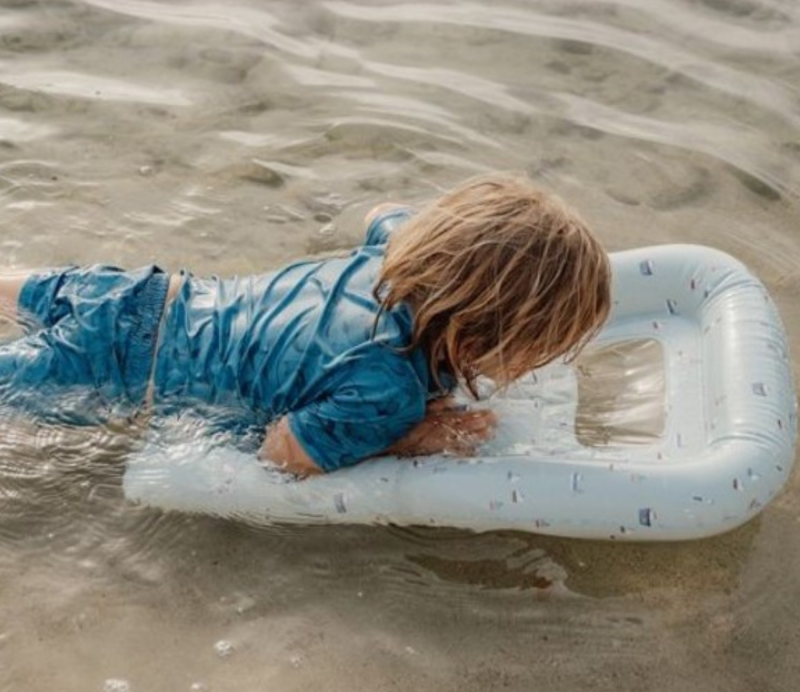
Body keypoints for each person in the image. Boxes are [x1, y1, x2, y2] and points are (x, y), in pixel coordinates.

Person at [0, 174, 611, 475]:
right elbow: (282, 452)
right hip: (120, 370)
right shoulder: (388, 393)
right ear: (482, 340)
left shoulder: (395, 248)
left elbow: (382, 213)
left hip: (146, 292)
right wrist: (403, 439)